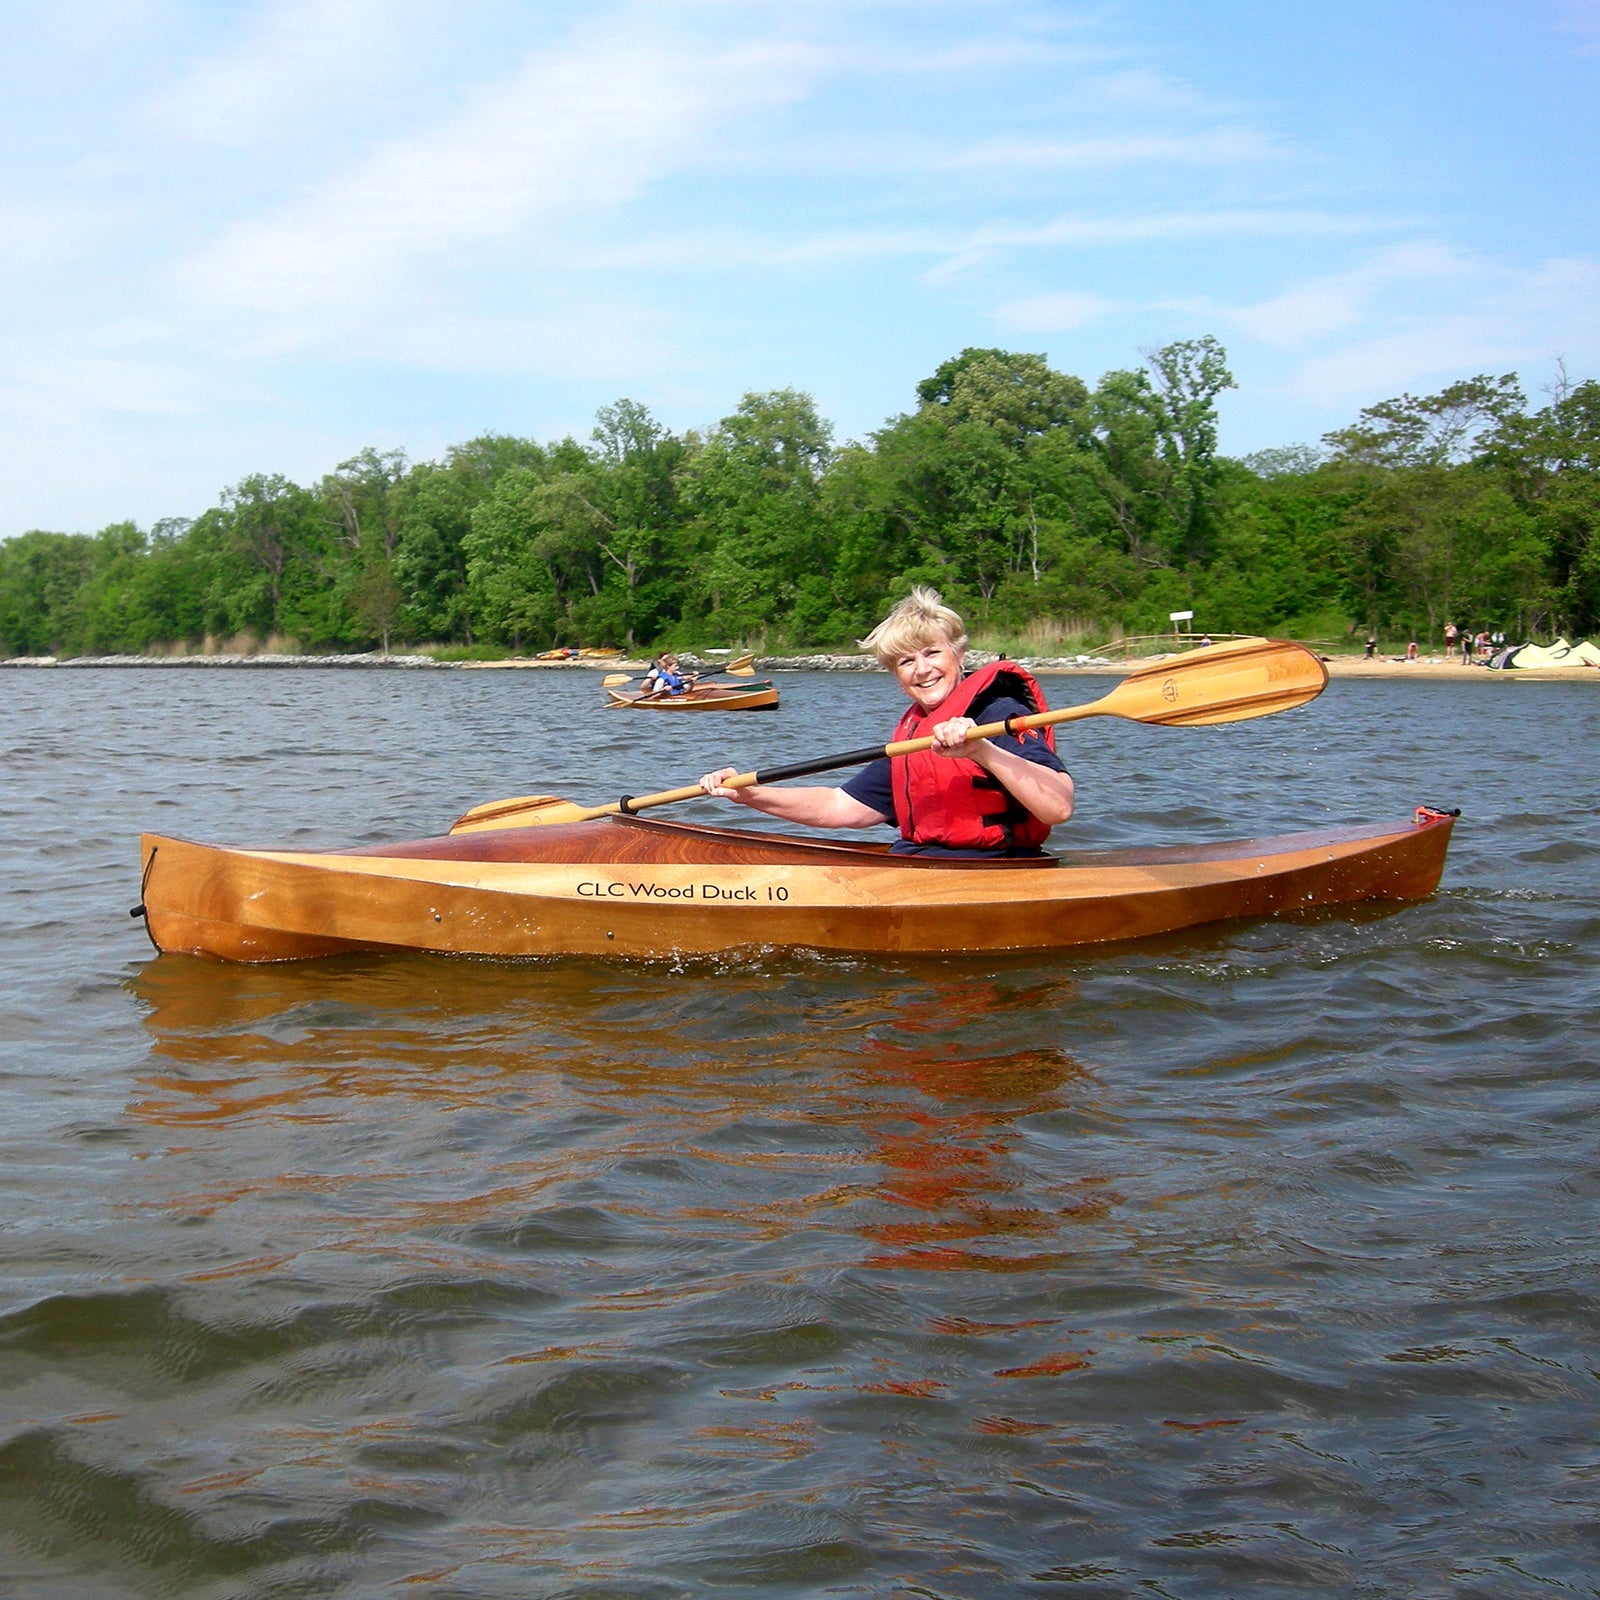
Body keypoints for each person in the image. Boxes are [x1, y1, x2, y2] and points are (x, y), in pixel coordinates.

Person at [698, 587, 1075, 856]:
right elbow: (840, 805)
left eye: (932, 653)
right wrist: (747, 794)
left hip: (989, 870)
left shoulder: (998, 714)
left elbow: (1058, 807)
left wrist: (981, 749)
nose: (922, 669)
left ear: (959, 655)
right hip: (918, 861)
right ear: (895, 674)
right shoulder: (914, 734)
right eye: (906, 661)